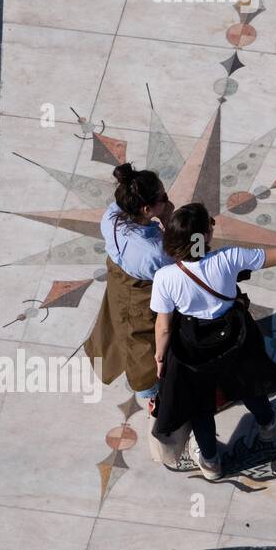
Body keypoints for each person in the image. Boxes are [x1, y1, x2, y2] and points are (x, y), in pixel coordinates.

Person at [150, 182, 276, 480]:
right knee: (248, 384)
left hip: (193, 348)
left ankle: (210, 462)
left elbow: (164, 326)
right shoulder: (229, 259)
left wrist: (160, 358)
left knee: (200, 406)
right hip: (233, 338)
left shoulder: (166, 277)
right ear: (204, 236)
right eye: (209, 224)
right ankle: (268, 423)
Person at [84, 163, 173, 412]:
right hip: (142, 295)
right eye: (163, 198)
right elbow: (190, 263)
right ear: (147, 209)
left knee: (116, 325)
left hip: (119, 283)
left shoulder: (112, 216)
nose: (167, 201)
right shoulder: (154, 252)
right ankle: (152, 393)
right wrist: (170, 221)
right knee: (143, 343)